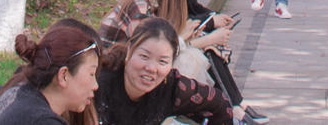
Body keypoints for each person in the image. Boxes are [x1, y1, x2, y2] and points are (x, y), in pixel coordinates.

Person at [133, 0, 267, 124]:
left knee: (203, 50)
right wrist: (198, 38)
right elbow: (154, 51)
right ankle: (228, 109)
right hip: (135, 79)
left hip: (145, 71)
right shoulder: (145, 7)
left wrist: (197, 32)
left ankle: (233, 107)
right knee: (195, 56)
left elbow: (187, 20)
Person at [95, 18, 233, 125]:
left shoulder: (172, 88)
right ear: (130, 50)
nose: (151, 68)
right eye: (144, 56)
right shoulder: (98, 84)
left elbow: (221, 104)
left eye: (162, 61)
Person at [0, 18, 101, 125]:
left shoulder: (26, 98)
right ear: (63, 75)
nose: (95, 85)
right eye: (91, 74)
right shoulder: (42, 120)